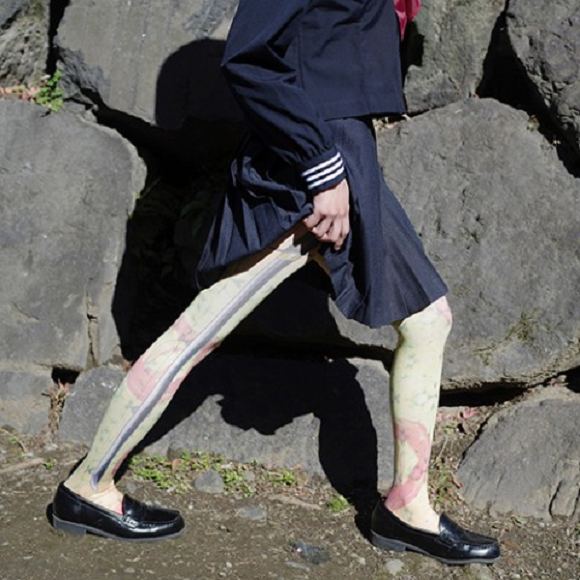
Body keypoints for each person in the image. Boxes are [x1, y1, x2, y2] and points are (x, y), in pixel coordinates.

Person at [51, 0, 500, 565]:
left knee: (428, 319)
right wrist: (321, 168)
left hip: (343, 151)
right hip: (307, 167)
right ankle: (87, 485)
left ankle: (408, 505)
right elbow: (249, 58)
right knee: (198, 333)